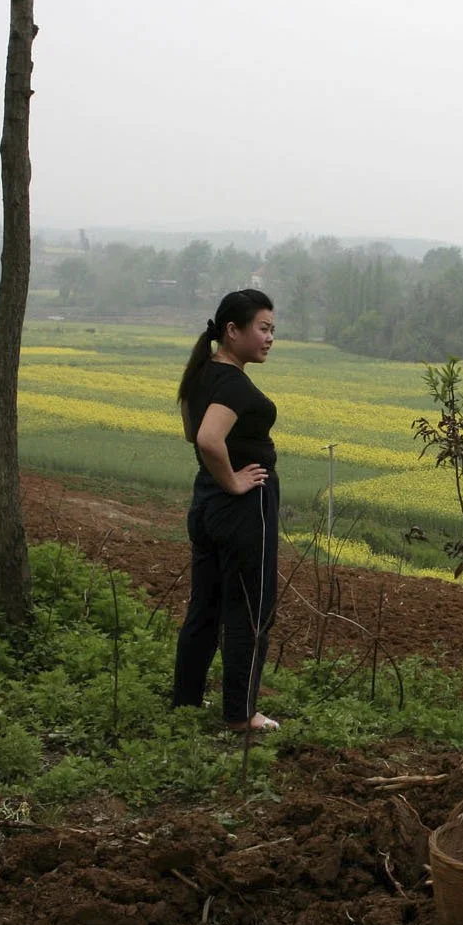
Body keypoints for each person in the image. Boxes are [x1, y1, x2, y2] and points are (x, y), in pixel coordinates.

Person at [173, 289, 283, 733]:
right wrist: (235, 480)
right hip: (242, 507)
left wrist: (218, 478)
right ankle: (240, 714)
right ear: (232, 331)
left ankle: (186, 702)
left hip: (206, 502)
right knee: (250, 608)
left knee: (206, 606)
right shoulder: (234, 383)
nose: (270, 337)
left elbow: (189, 428)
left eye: (273, 329)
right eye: (263, 328)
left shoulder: (201, 373)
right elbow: (206, 438)